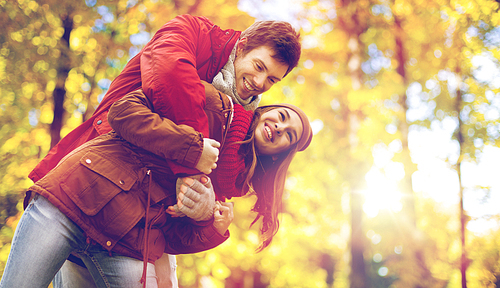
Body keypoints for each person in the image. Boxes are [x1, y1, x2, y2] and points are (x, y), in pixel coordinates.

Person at [0, 83, 312, 288]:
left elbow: (170, 237)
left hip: (123, 242)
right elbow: (123, 111)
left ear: (281, 154)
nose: (279, 127)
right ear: (265, 110)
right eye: (282, 116)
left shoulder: (229, 186)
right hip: (72, 200)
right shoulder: (215, 105)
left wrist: (206, 224)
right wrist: (190, 148)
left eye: (288, 135)